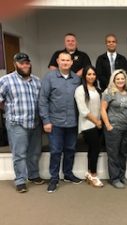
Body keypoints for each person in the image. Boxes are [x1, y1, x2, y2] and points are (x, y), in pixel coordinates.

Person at [0, 53, 44, 193]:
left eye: (27, 63)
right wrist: (9, 111)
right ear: (15, 64)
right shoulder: (6, 80)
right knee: (19, 154)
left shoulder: (37, 81)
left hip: (35, 123)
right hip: (16, 124)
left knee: (35, 152)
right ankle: (20, 180)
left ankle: (33, 175)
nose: (25, 65)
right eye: (21, 63)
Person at [39, 51, 82, 193]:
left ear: (71, 62)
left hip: (72, 122)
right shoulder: (49, 77)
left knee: (70, 150)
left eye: (67, 60)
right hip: (55, 123)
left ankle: (68, 174)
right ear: (57, 61)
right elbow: (43, 100)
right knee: (56, 151)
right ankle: (54, 178)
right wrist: (46, 120)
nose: (65, 62)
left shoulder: (76, 78)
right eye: (62, 60)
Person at [101, 69, 127, 189]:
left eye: (122, 78)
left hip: (126, 128)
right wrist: (108, 125)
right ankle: (114, 178)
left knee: (123, 153)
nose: (120, 80)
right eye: (117, 78)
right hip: (113, 128)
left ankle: (122, 176)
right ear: (113, 80)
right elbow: (102, 109)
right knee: (113, 154)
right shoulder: (109, 92)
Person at [74, 65, 103, 188]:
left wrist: (99, 122)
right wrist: (96, 122)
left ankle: (89, 173)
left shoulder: (97, 89)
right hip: (88, 124)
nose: (91, 76)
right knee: (95, 149)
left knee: (93, 150)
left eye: (93, 74)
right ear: (84, 76)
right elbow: (83, 111)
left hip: (98, 124)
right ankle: (94, 175)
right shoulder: (80, 90)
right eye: (89, 74)